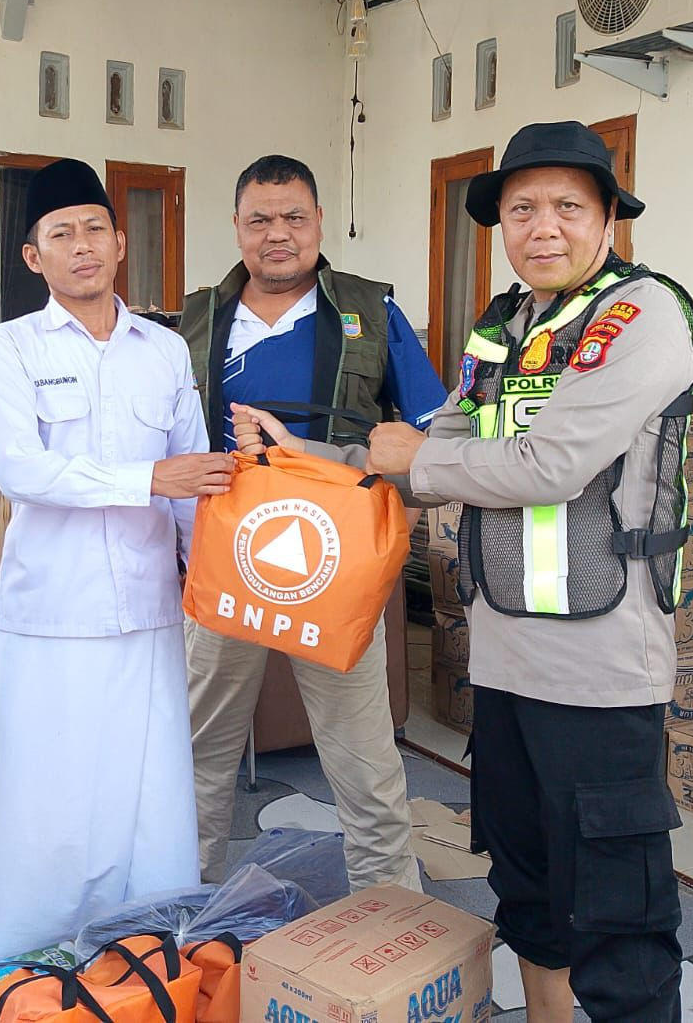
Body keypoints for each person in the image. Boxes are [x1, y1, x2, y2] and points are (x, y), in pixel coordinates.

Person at [234, 121, 693, 1023]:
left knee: (618, 919)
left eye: (568, 206)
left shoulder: (640, 318)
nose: (543, 227)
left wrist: (413, 455)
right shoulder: (508, 325)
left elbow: (546, 467)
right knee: (528, 897)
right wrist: (317, 456)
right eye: (522, 209)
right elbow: (430, 448)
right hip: (503, 661)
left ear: (609, 217)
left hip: (601, 671)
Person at [0, 157, 234, 964]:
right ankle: (20, 973)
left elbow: (196, 481)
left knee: (147, 806)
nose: (81, 246)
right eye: (60, 234)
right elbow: (25, 472)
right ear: (33, 256)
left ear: (121, 242)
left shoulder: (162, 350)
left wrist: (216, 578)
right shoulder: (6, 350)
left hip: (149, 613)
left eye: (94, 229)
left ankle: (141, 964)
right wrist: (148, 479)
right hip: (51, 614)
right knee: (43, 808)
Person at [178, 154, 449, 893]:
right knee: (199, 755)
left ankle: (393, 925)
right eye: (260, 219)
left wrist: (347, 459)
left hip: (336, 568)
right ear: (235, 228)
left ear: (320, 223)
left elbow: (433, 442)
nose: (278, 234)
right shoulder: (195, 322)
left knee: (365, 764)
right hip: (226, 565)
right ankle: (181, 923)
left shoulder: (371, 312)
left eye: (294, 217)